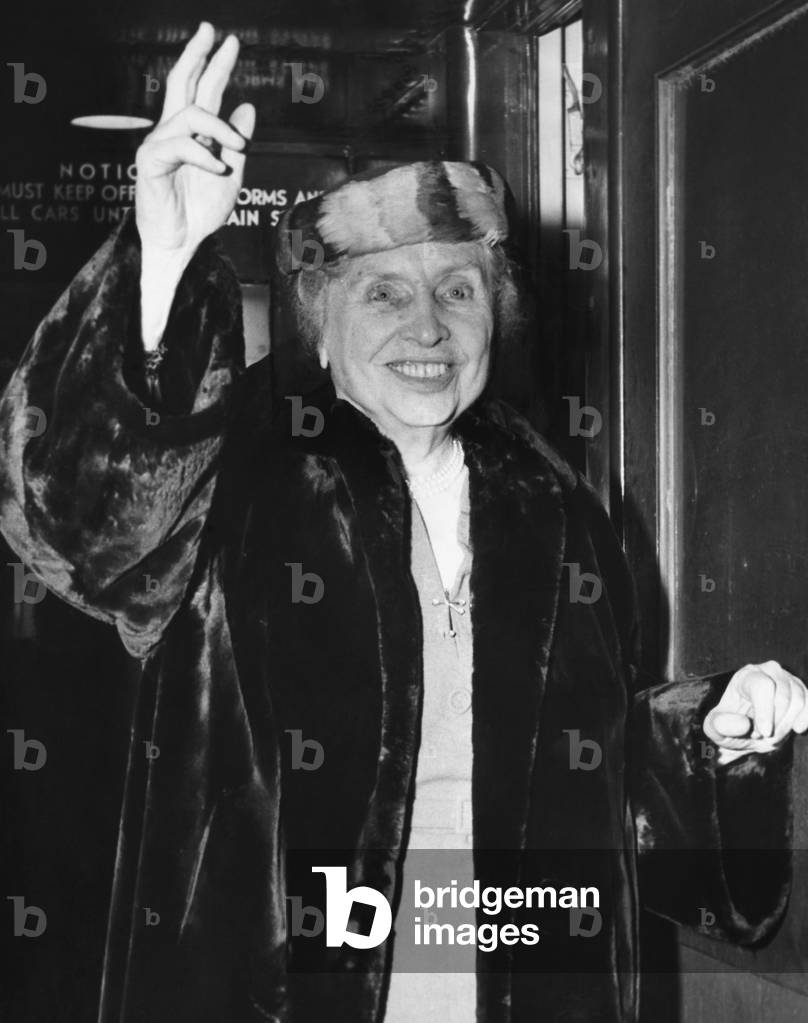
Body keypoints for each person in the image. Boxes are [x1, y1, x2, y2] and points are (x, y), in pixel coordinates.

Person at [1, 22, 806, 1023]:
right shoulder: (235, 465)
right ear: (319, 328)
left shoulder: (556, 508)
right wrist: (164, 254)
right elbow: (81, 524)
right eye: (382, 292)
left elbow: (591, 780)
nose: (426, 326)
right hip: (279, 982)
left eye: (457, 289)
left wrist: (711, 732)